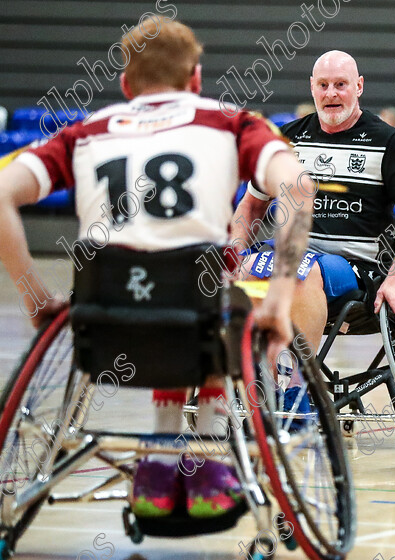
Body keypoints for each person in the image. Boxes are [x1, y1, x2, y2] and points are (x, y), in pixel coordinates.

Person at [0, 20, 313, 519]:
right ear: (196, 78)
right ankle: (206, 467)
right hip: (199, 322)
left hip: (103, 325)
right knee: (222, 292)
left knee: (190, 290)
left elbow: (1, 195)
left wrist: (36, 296)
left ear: (126, 84)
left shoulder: (84, 132)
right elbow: (298, 187)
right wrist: (277, 297)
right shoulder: (232, 122)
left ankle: (156, 465)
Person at [231, 50, 395, 410]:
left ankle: (298, 391)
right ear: (312, 87)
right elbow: (250, 205)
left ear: (359, 86)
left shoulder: (387, 141)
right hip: (287, 256)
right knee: (245, 270)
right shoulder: (285, 140)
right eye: (323, 85)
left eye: (341, 85)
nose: (331, 93)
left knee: (303, 273)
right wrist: (232, 253)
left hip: (355, 268)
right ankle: (262, 389)